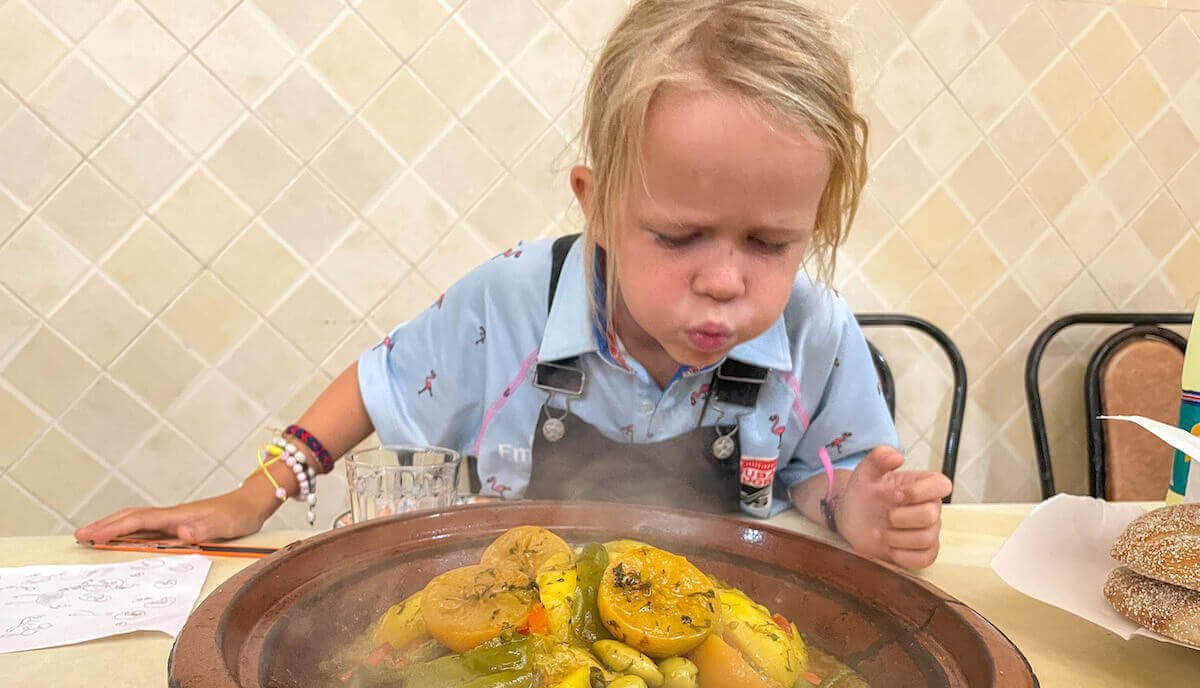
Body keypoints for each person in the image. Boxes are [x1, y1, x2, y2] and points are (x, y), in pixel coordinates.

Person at [77, 0, 952, 569]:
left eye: (771, 243)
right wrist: (253, 497)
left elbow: (822, 472)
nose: (724, 282)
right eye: (677, 236)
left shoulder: (814, 332)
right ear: (596, 204)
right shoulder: (512, 301)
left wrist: (858, 510)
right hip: (517, 622)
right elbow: (380, 385)